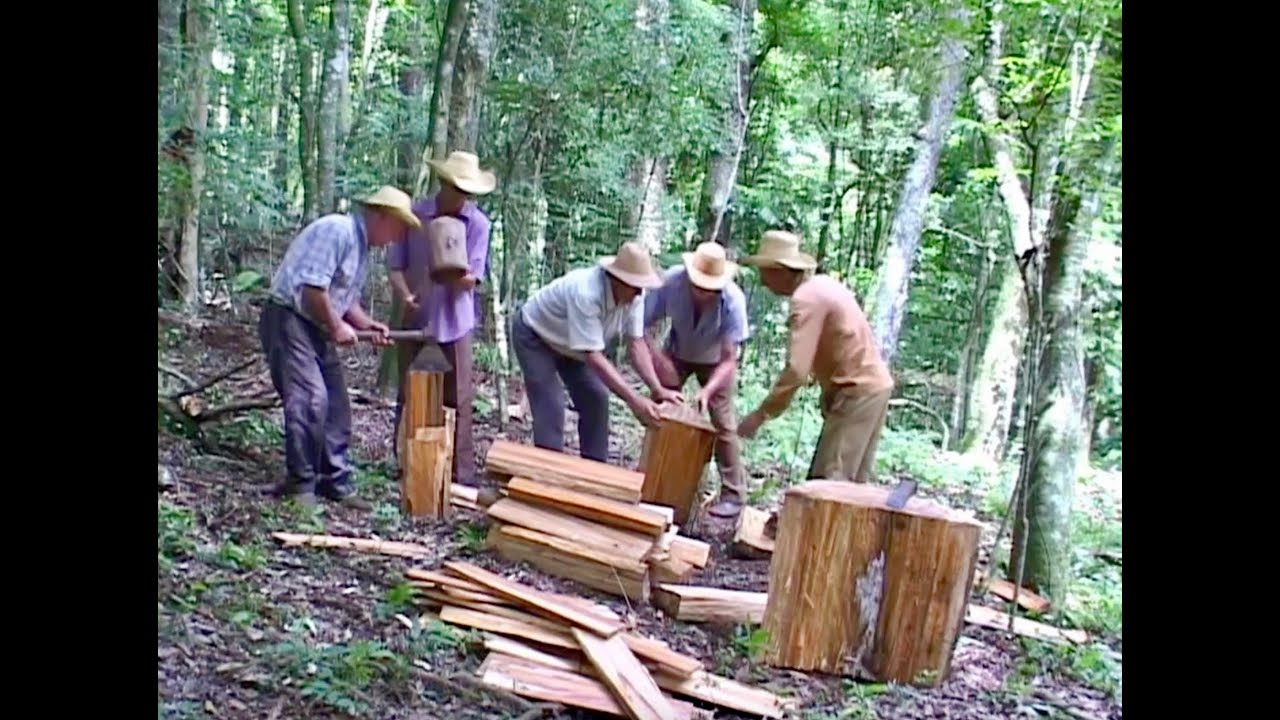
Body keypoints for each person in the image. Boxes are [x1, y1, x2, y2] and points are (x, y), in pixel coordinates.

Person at [259, 185, 422, 508]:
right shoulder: (338, 230)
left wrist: (365, 324)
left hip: (314, 324)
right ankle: (301, 484)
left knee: (335, 403)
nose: (396, 237)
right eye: (397, 227)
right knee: (309, 398)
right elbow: (313, 290)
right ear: (380, 217)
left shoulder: (361, 248)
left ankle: (333, 479)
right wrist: (336, 327)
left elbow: (343, 298)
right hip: (289, 318)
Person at [737, 230, 894, 483]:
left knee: (830, 484)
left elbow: (796, 370)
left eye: (765, 272)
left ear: (781, 270)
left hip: (857, 392)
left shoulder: (806, 298)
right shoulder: (822, 286)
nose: (763, 282)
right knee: (853, 484)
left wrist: (761, 414)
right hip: (871, 389)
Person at [513, 242, 683, 462]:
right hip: (536, 336)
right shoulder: (586, 292)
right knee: (551, 406)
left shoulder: (635, 296)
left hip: (574, 347)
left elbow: (636, 343)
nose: (639, 293)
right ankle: (547, 478)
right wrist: (634, 401)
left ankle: (594, 472)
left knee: (597, 397)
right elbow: (593, 356)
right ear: (618, 279)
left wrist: (657, 389)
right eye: (635, 286)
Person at [387, 151, 495, 485]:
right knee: (409, 390)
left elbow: (473, 279)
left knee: (459, 397)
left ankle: (460, 472)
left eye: (466, 192)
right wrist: (405, 295)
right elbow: (394, 265)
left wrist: (452, 272)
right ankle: (404, 461)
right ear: (442, 184)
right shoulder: (417, 216)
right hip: (417, 319)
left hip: (456, 321)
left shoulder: (478, 224)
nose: (461, 198)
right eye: (455, 189)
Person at [643, 242, 750, 518]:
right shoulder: (670, 282)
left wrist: (708, 391)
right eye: (697, 285)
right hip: (677, 353)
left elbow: (729, 359)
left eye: (708, 288)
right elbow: (638, 327)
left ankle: (733, 494)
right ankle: (653, 473)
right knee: (662, 408)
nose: (702, 292)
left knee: (723, 424)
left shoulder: (733, 301)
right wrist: (659, 359)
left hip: (716, 362)